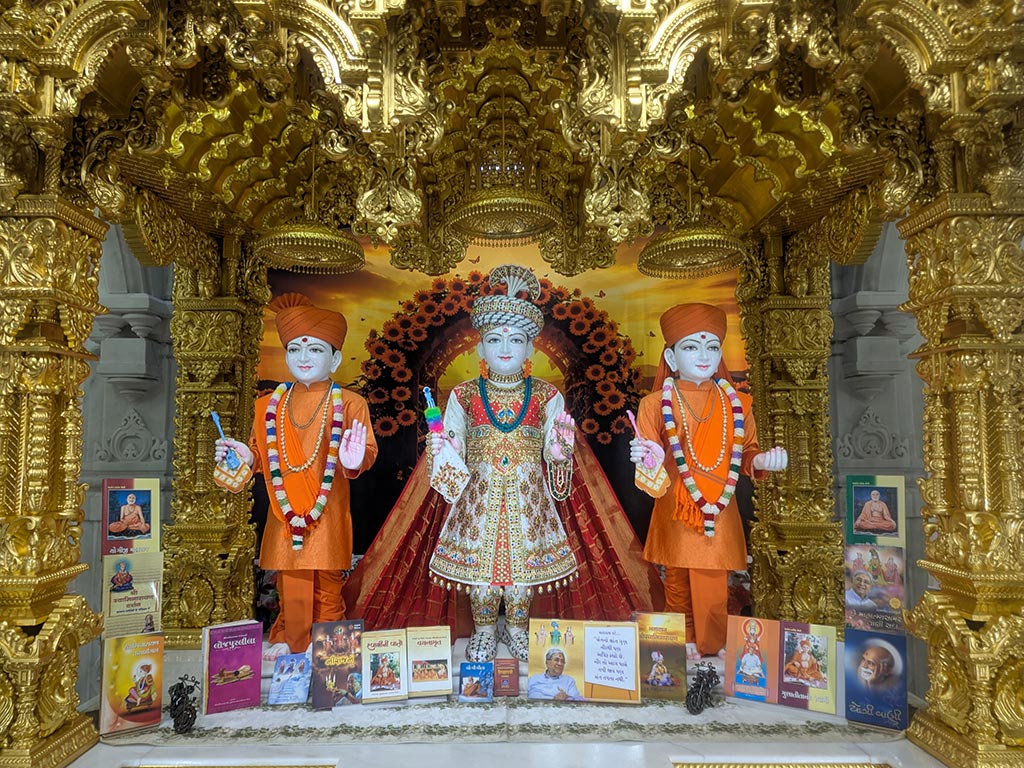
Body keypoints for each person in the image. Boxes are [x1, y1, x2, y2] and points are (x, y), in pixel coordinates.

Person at [427, 265, 578, 662]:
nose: (505, 348)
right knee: (482, 569)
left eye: (516, 340)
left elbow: (554, 451)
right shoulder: (464, 394)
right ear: (480, 349)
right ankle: (482, 631)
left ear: (531, 349)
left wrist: (560, 453)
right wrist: (441, 445)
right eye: (494, 339)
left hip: (528, 497)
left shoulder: (547, 395)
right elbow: (452, 446)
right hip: (479, 495)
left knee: (520, 572)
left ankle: (516, 630)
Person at [215, 293, 378, 659]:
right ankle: (290, 637)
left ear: (335, 358)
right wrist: (245, 455)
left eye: (315, 350)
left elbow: (364, 454)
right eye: (295, 350)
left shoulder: (350, 403)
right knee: (291, 581)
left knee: (328, 584)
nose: (303, 359)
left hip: (328, 508)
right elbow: (260, 455)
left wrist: (356, 459)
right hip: (283, 506)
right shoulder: (266, 405)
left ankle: (332, 652)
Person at [629, 303, 788, 661]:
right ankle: (679, 649)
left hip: (718, 505)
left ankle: (712, 649)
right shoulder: (655, 404)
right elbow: (650, 465)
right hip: (675, 504)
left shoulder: (739, 403)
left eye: (712, 346)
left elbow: (748, 452)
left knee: (714, 586)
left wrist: (761, 460)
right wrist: (647, 459)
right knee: (676, 579)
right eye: (691, 346)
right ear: (670, 356)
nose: (703, 355)